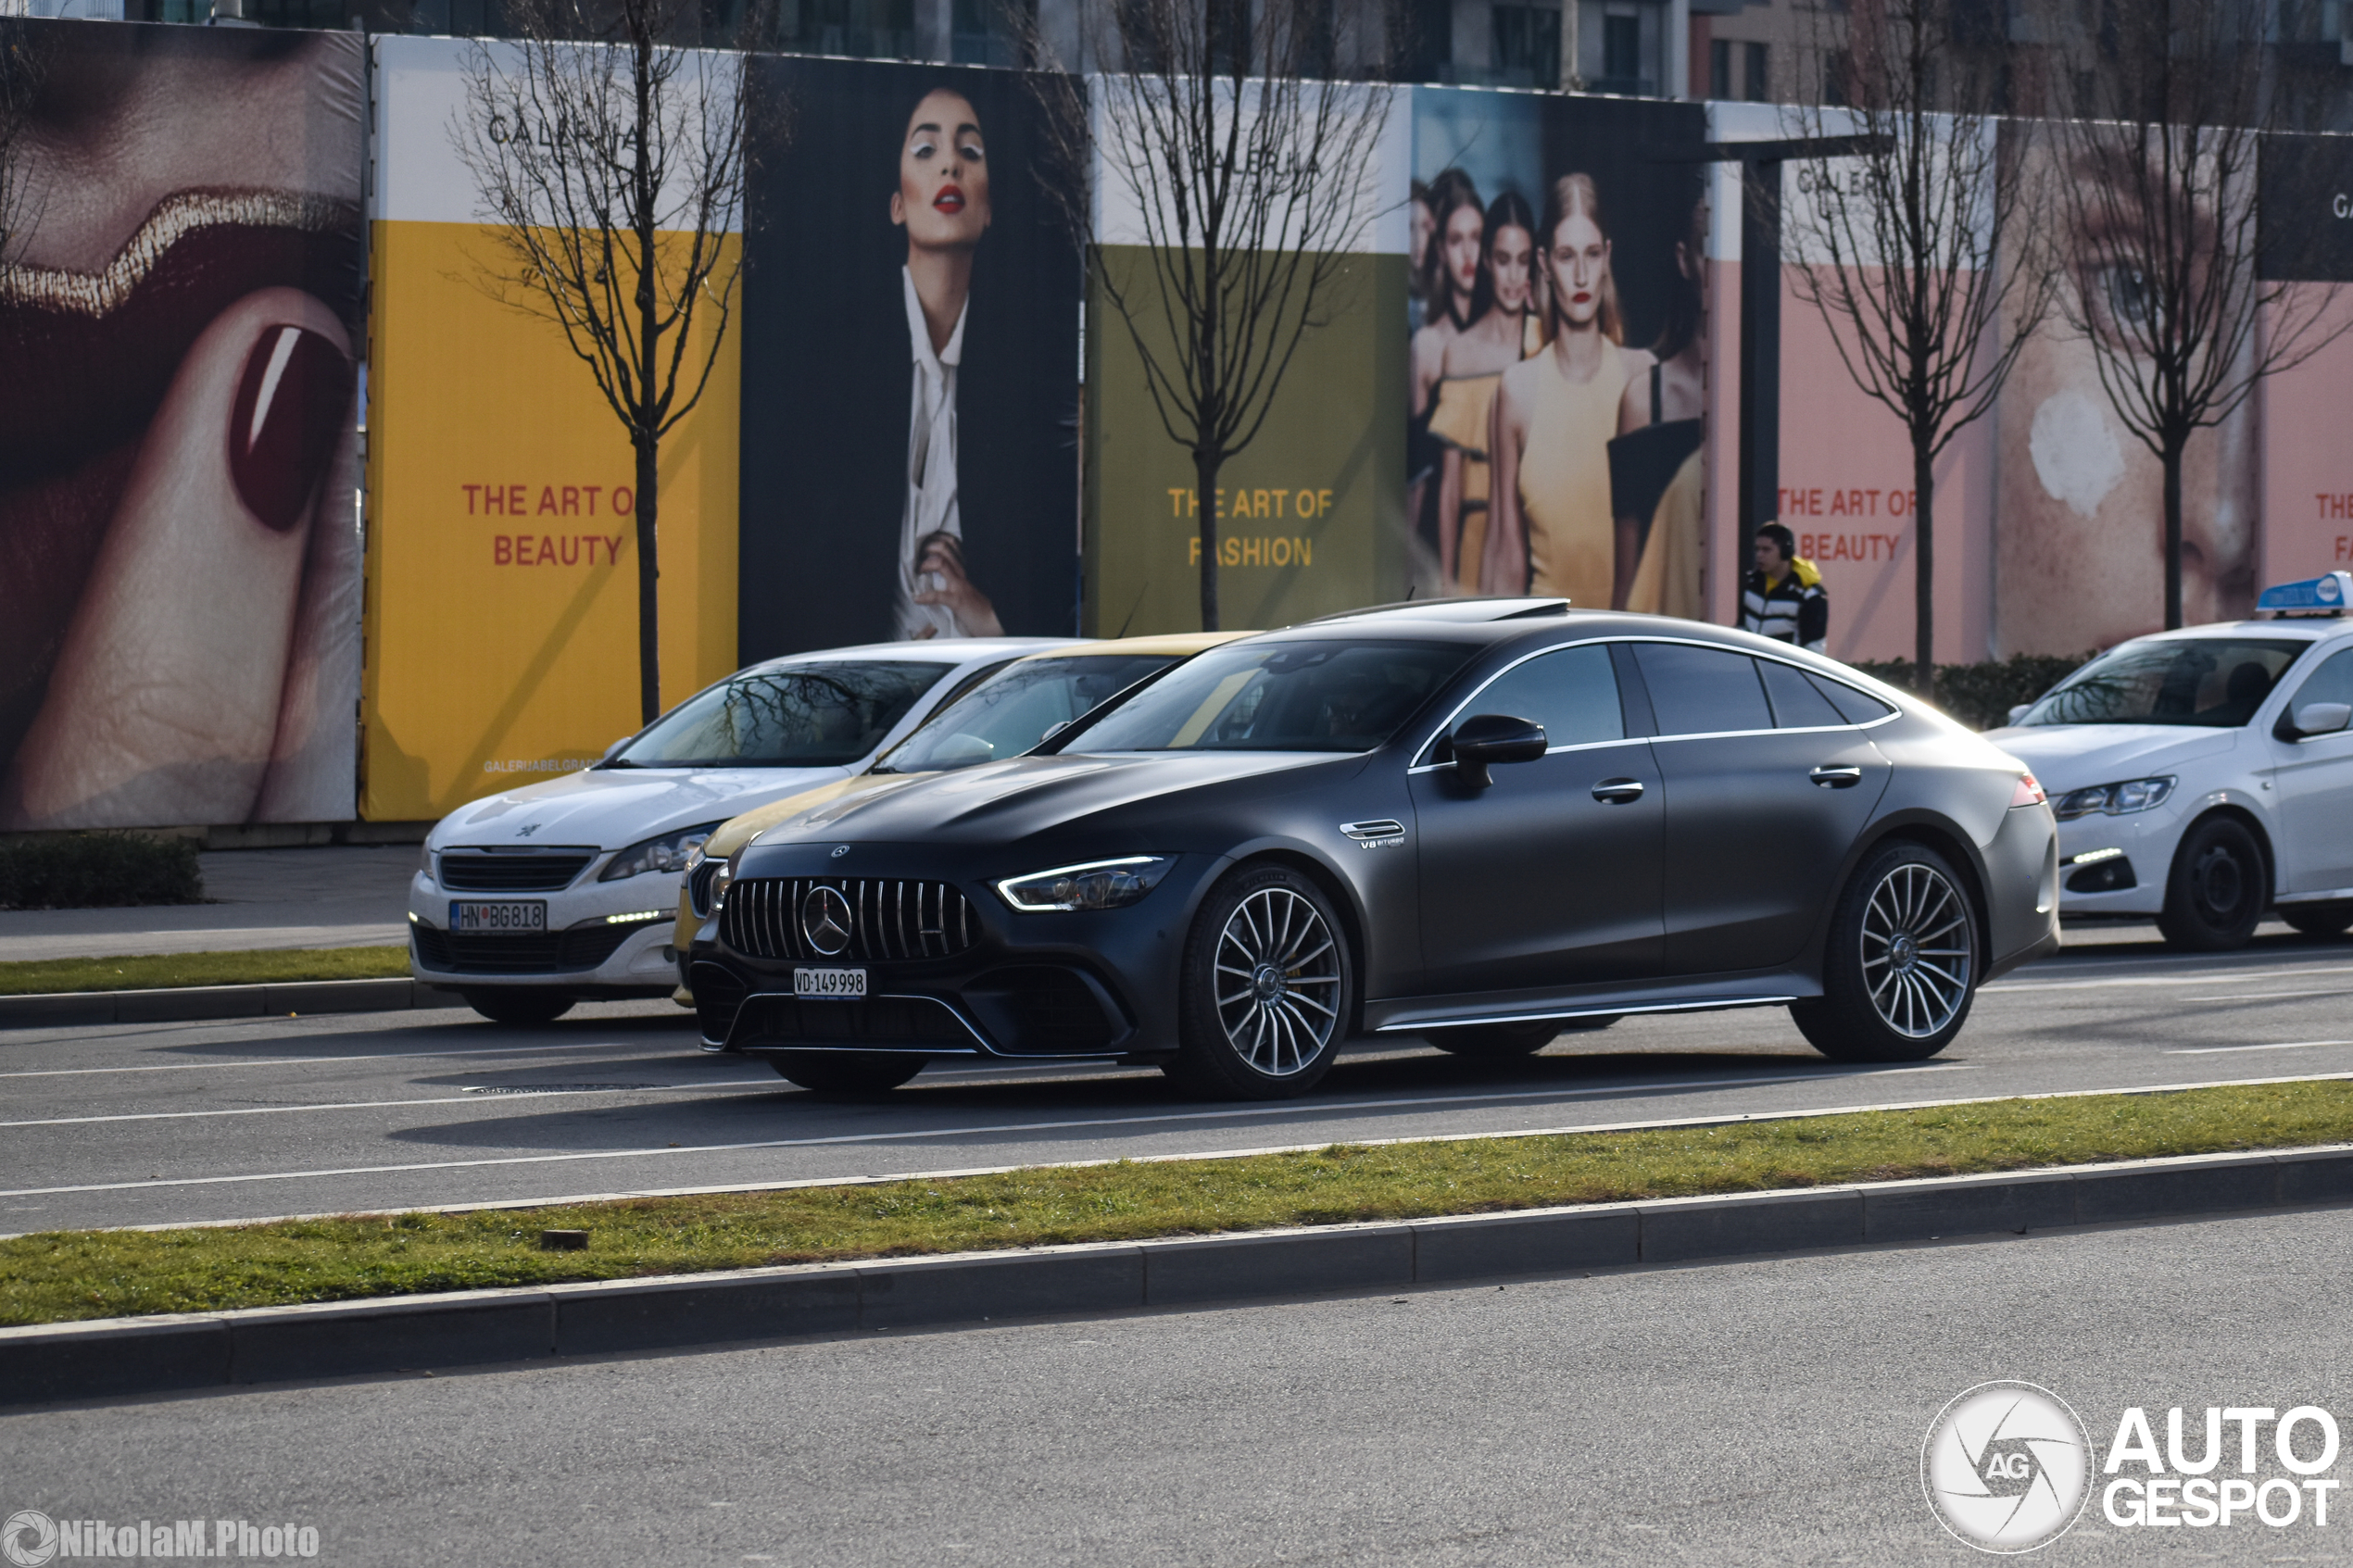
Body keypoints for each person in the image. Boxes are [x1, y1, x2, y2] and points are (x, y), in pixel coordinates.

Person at [1485, 173, 1653, 603]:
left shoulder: (1644, 377)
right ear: (1543, 262)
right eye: (1565, 256)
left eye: (1592, 254)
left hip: (1631, 648)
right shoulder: (1517, 390)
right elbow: (1505, 555)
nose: (1580, 275)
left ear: (1607, 256)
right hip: (1547, 647)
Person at [892, 86, 1002, 639]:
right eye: (926, 150)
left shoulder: (1009, 392)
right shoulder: (843, 383)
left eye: (970, 151)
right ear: (897, 202)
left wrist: (984, 619)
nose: (951, 164)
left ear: (987, 209)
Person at [1430, 191, 1536, 594]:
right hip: (1477, 541)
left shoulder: (1546, 344)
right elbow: (1450, 485)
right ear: (1488, 262)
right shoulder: (1461, 353)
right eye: (1504, 260)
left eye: (1523, 261)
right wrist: (1445, 579)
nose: (1513, 275)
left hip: (1538, 538)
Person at [1610, 189, 1706, 617]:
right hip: (1665, 653)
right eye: (1711, 251)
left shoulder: (1770, 407)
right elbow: (1627, 580)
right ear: (1685, 259)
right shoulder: (1643, 401)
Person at [1741, 523, 1829, 653]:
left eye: (1766, 549)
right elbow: (1742, 626)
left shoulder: (1809, 595)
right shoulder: (1752, 583)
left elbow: (1814, 648)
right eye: (1757, 549)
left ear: (1785, 552)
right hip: (1749, 667)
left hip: (1785, 670)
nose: (1759, 555)